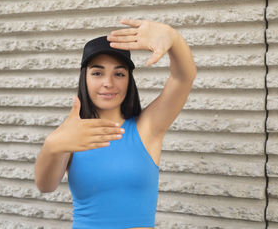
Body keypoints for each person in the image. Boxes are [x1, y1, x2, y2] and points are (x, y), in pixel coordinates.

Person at [34, 19, 197, 229]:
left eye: (119, 74)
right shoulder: (74, 134)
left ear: (129, 80)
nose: (108, 83)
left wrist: (173, 38)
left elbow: (184, 77)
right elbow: (45, 186)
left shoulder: (147, 128)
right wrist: (52, 145)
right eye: (97, 73)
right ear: (85, 78)